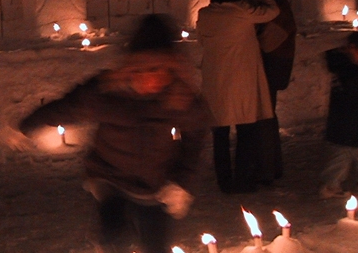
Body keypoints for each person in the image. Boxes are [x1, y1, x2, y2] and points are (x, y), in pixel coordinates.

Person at [12, 14, 210, 253]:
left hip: (156, 186)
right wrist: (25, 125)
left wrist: (181, 183)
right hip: (110, 178)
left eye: (162, 69)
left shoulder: (179, 99)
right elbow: (68, 108)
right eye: (144, 69)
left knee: (157, 244)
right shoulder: (108, 93)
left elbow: (194, 141)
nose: (153, 77)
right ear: (131, 68)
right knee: (114, 237)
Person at [197, 0, 279, 193]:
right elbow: (272, 11)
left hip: (216, 81)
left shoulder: (204, 14)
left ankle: (224, 182)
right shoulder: (243, 11)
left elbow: (202, 41)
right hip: (242, 81)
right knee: (246, 131)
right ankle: (244, 180)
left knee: (220, 136)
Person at [256, 0, 297, 182]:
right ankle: (270, 166)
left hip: (272, 67)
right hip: (272, 66)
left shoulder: (278, 6)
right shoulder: (275, 2)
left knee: (266, 116)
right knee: (266, 116)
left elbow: (269, 41)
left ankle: (268, 168)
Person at [319, 32, 358, 198]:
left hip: (341, 125)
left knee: (340, 158)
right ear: (353, 48)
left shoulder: (342, 67)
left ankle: (331, 185)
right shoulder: (350, 72)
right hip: (355, 125)